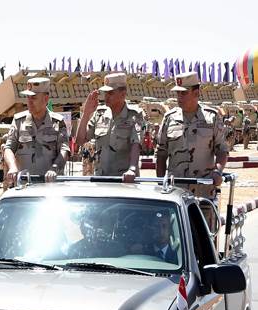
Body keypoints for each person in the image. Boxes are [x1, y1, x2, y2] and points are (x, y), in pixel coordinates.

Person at [156, 71, 227, 224]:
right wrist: (160, 182)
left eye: (184, 93)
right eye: (177, 93)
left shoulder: (212, 118)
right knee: (175, 235)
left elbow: (222, 150)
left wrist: (218, 171)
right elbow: (161, 153)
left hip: (203, 192)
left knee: (203, 234)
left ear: (196, 93)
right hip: (175, 193)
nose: (179, 97)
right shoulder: (169, 118)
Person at [75, 73, 145, 181]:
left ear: (123, 94)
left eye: (111, 93)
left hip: (124, 180)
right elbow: (80, 140)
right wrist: (86, 113)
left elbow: (136, 144)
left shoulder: (135, 115)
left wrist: (132, 169)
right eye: (106, 93)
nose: (106, 96)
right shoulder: (99, 114)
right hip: (101, 179)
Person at [4, 77, 70, 185]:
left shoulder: (57, 122)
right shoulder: (19, 121)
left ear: (45, 99)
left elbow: (64, 151)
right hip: (24, 185)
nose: (29, 101)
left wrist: (54, 168)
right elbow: (8, 148)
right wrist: (12, 167)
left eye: (33, 98)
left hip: (50, 185)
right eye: (28, 97)